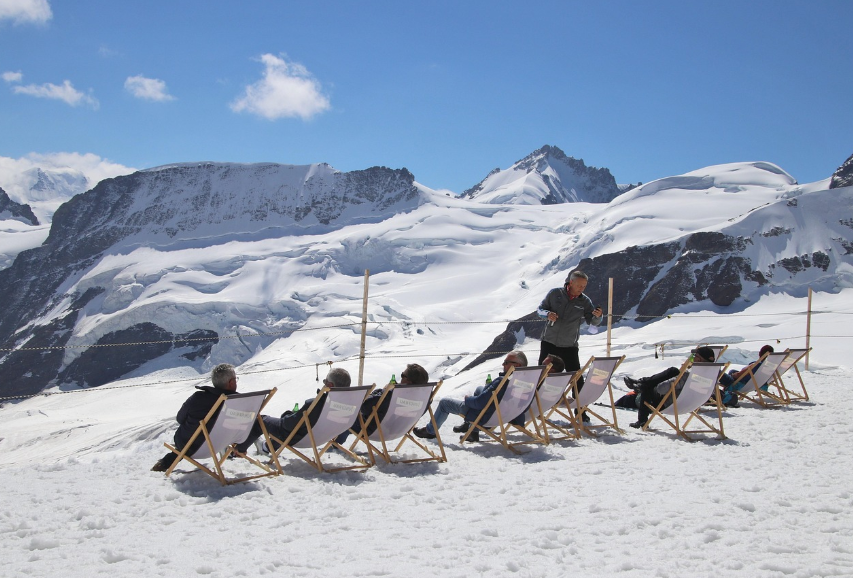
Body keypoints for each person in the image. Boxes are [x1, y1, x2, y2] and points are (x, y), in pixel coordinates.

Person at [152, 363, 261, 472]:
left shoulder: (198, 398)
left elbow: (180, 419)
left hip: (188, 445)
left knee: (191, 438)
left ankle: (166, 462)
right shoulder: (238, 402)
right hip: (220, 444)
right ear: (231, 383)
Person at [413, 351, 528, 442]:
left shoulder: (502, 381)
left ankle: (430, 431)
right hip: (505, 414)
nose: (503, 364)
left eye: (506, 362)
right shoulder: (525, 383)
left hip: (485, 415)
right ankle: (472, 430)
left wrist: (468, 400)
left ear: (517, 365)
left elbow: (479, 403)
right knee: (479, 389)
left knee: (444, 403)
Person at [622, 346, 716, 428]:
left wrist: (680, 377)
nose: (692, 358)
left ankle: (642, 419)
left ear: (699, 360)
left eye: (695, 357)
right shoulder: (712, 376)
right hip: (692, 403)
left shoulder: (689, 376)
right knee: (673, 371)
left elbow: (661, 389)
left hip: (672, 404)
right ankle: (641, 382)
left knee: (648, 387)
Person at [336, 363, 430, 445]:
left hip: (375, 431)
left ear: (408, 380)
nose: (401, 377)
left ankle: (336, 444)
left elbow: (364, 407)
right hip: (400, 430)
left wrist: (384, 390)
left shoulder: (391, 396)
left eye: (402, 375)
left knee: (347, 416)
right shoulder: (426, 399)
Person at [261, 367, 352, 452]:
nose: (323, 383)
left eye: (325, 381)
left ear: (329, 385)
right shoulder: (350, 405)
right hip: (324, 438)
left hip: (303, 439)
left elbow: (288, 425)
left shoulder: (316, 405)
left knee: (261, 419)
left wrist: (288, 414)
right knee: (296, 426)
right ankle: (267, 447)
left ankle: (262, 448)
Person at [537, 270, 603, 386]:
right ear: (571, 282)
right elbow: (540, 310)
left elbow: (592, 320)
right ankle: (538, 402)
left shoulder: (585, 301)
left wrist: (598, 316)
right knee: (543, 375)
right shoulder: (555, 293)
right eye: (579, 285)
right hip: (549, 342)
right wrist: (547, 314)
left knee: (576, 377)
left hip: (569, 345)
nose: (581, 289)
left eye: (584, 286)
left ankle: (579, 403)